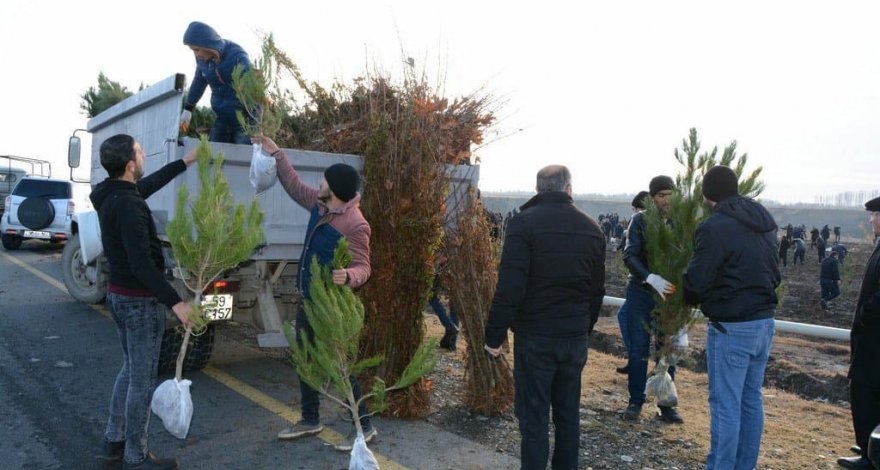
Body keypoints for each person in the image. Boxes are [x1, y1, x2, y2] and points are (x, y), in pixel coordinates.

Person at [251, 135, 374, 452]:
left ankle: (364, 427)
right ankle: (310, 419)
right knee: (305, 359)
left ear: (335, 189)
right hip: (309, 299)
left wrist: (348, 276)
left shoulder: (355, 223)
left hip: (332, 307)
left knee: (341, 366)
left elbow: (364, 267)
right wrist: (277, 153)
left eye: (324, 180)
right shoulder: (320, 206)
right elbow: (293, 185)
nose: (319, 183)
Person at [484, 165, 605, 470]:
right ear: (569, 189)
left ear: (538, 189)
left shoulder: (523, 224)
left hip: (535, 337)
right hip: (574, 337)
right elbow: (596, 292)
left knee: (534, 418)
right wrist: (584, 328)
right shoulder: (592, 228)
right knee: (568, 416)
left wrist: (494, 335)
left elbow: (510, 286)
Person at [92, 135, 198, 469]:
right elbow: (142, 264)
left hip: (118, 296)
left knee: (130, 370)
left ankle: (113, 441)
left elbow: (148, 184)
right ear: (129, 165)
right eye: (139, 151)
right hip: (139, 303)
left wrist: (185, 161)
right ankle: (135, 457)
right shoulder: (128, 205)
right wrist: (176, 303)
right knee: (141, 381)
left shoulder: (113, 194)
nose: (143, 154)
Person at [682, 165, 780, 470]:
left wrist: (688, 292)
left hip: (732, 326)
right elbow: (774, 273)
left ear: (707, 195)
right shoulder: (763, 221)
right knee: (751, 399)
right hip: (764, 322)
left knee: (726, 405)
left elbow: (696, 283)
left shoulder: (714, 227)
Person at [616, 176, 683, 423]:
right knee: (639, 349)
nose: (666, 200)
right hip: (641, 293)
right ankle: (635, 401)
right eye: (661, 195)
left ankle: (666, 404)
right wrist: (649, 277)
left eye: (670, 195)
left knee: (667, 351)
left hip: (669, 295)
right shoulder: (640, 221)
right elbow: (629, 255)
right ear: (652, 198)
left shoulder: (681, 222)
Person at [837, 196, 880, 469]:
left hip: (875, 337)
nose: (872, 220)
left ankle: (869, 456)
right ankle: (869, 444)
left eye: (875, 215)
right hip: (871, 337)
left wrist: (865, 312)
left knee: (865, 391)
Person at [180, 21, 253, 144]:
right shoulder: (202, 60)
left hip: (243, 122)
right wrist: (188, 109)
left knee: (243, 155)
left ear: (207, 45)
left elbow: (254, 94)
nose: (196, 54)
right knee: (212, 152)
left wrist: (255, 126)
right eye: (192, 50)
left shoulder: (238, 57)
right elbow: (199, 81)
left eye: (197, 49)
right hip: (222, 119)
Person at [615, 190, 650, 373]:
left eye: (636, 209)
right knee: (624, 317)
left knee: (626, 318)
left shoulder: (643, 224)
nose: (634, 212)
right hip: (639, 284)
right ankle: (634, 359)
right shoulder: (637, 224)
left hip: (643, 286)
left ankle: (637, 361)